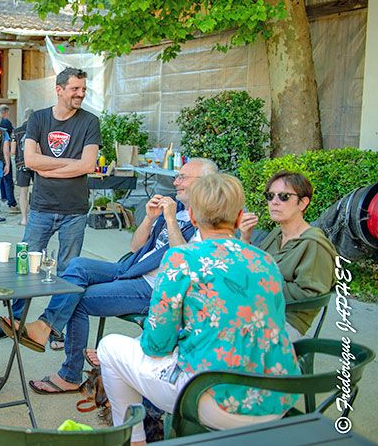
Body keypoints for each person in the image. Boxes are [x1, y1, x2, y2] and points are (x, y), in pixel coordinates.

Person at [97, 174, 301, 445]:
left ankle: (134, 440)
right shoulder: (264, 261)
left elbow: (156, 344)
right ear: (240, 217)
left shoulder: (182, 258)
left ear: (192, 217)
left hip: (214, 400)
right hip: (277, 400)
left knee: (109, 348)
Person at [12, 159, 217, 394]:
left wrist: (170, 220)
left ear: (204, 183)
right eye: (177, 176)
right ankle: (45, 325)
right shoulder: (178, 210)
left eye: (182, 177)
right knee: (77, 265)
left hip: (153, 287)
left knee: (77, 298)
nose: (175, 181)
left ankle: (69, 373)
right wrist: (150, 218)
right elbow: (135, 246)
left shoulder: (206, 221)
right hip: (132, 268)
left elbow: (184, 263)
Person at [0, 67, 101, 342]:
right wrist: (71, 166)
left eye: (83, 89)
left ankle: (51, 326)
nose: (80, 94)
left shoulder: (90, 121)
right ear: (59, 89)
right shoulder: (38, 119)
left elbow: (89, 164)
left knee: (69, 270)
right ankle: (13, 319)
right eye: (75, 89)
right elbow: (31, 160)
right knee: (23, 265)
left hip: (74, 209)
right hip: (41, 207)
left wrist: (48, 168)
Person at [239, 171, 337, 340]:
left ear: (303, 203)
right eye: (270, 196)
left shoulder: (313, 243)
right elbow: (251, 267)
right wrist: (245, 238)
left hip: (286, 321)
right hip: (261, 310)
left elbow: (309, 295)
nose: (274, 202)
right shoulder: (277, 235)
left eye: (284, 196)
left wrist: (261, 283)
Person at [12, 108, 34, 226]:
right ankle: (35, 217)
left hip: (21, 164)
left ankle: (24, 219)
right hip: (36, 163)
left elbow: (12, 150)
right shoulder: (37, 129)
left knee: (23, 192)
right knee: (37, 190)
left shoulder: (16, 131)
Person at [0, 104, 18, 213]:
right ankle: (12, 203)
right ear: (5, 112)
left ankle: (3, 198)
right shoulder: (6, 122)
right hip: (5, 153)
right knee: (8, 178)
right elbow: (11, 137)